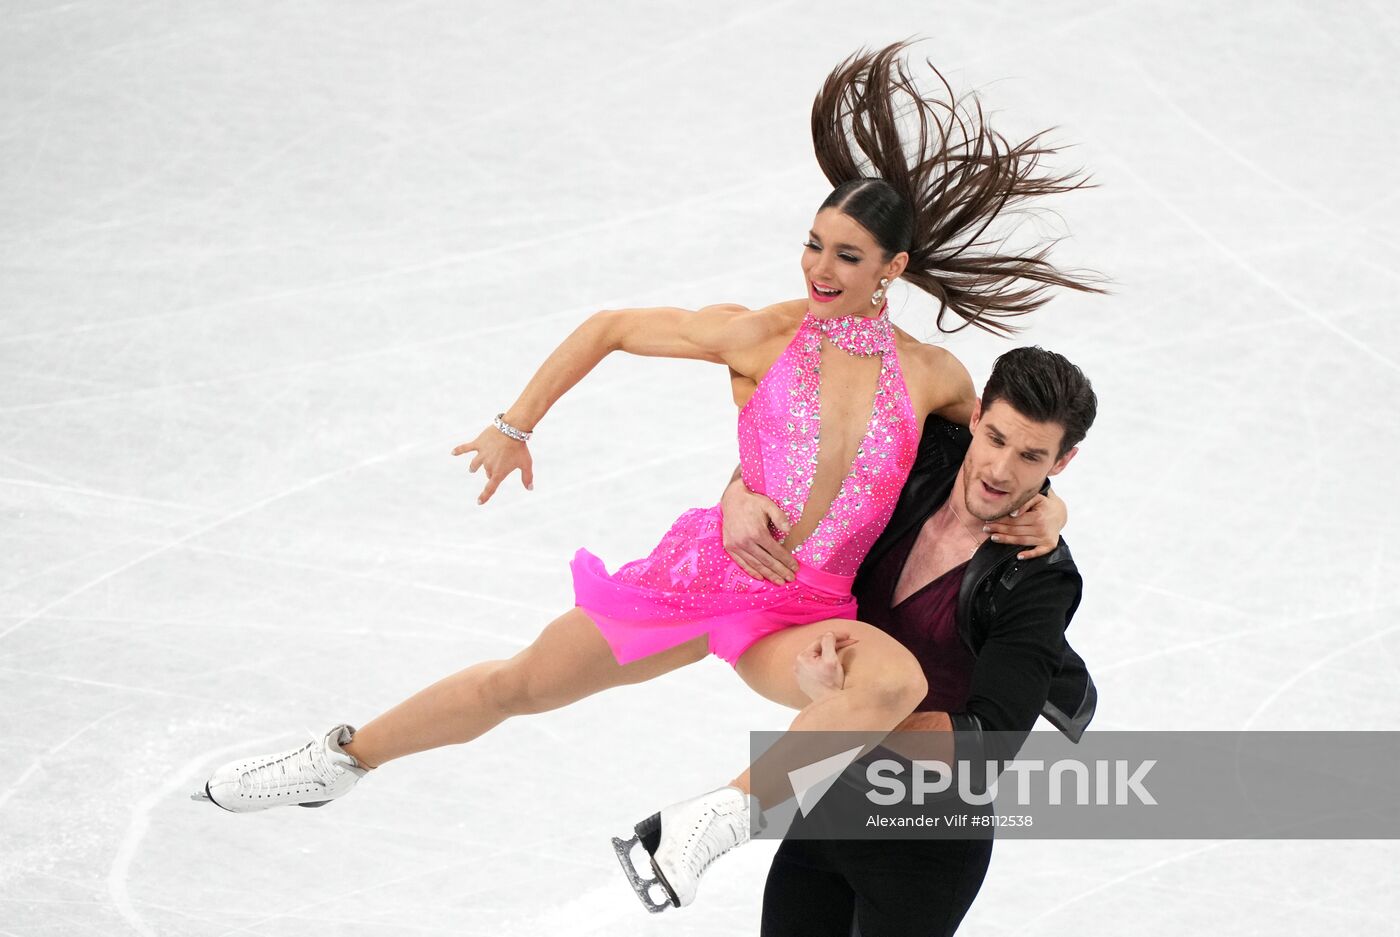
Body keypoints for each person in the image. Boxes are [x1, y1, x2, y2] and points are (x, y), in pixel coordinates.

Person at [191, 42, 1101, 914]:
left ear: (893, 269)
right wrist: (516, 426)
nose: (820, 269)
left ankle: (710, 823)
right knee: (520, 683)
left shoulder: (934, 377)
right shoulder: (760, 334)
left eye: (848, 256)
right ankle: (340, 759)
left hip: (805, 604)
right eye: (813, 244)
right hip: (702, 572)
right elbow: (610, 326)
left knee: (894, 680)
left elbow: (995, 449)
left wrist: (1047, 504)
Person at [721, 346, 1098, 936]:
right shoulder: (916, 458)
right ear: (974, 417)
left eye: (1031, 457)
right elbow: (793, 447)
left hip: (926, 845)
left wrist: (847, 706)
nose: (1000, 471)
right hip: (825, 806)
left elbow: (990, 745)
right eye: (995, 438)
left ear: (1064, 460)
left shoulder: (1037, 577)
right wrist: (737, 497)